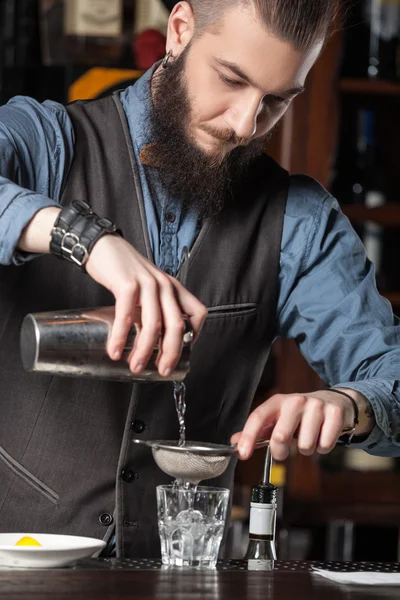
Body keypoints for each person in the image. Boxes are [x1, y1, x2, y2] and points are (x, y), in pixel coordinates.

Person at [0, 0, 399, 558]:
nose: (245, 124)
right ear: (181, 31)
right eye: (231, 79)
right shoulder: (47, 142)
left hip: (179, 579)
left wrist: (349, 405)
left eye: (277, 101)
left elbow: (390, 372)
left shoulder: (300, 220)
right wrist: (81, 236)